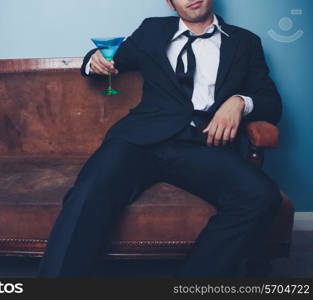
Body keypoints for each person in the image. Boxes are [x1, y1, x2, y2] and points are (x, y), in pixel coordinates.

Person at [37, 0, 283, 278]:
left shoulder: (245, 42)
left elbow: (271, 103)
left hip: (204, 144)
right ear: (169, 2)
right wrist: (93, 61)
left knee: (261, 195)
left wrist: (239, 101)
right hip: (140, 139)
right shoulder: (152, 30)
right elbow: (110, 57)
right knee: (88, 191)